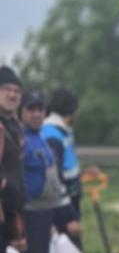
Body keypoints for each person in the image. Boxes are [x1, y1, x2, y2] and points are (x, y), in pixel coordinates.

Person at [20, 91, 79, 253]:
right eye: (31, 109)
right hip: (27, 217)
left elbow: (52, 182)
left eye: (40, 109)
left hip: (45, 215)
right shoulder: (20, 140)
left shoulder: (40, 139)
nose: (37, 114)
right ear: (21, 112)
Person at [42, 87, 83, 227]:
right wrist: (69, 217)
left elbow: (67, 166)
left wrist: (81, 174)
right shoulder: (52, 135)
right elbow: (55, 178)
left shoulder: (63, 131)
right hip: (62, 209)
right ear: (72, 111)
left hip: (69, 201)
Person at [0, 65, 26, 253]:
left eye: (17, 91)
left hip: (9, 216)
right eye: (7, 88)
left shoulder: (15, 126)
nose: (12, 94)